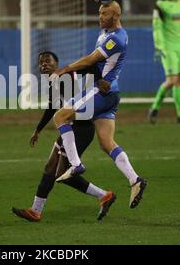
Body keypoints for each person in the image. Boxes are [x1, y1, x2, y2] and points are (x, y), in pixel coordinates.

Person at [50, 1, 147, 209]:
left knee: (60, 116)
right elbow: (96, 64)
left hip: (102, 93)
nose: (100, 16)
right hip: (109, 92)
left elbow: (90, 59)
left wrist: (64, 70)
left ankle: (76, 165)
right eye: (100, 12)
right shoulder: (105, 33)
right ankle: (135, 180)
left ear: (117, 14)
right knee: (106, 142)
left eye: (105, 13)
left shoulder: (116, 38)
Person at [12, 51, 116, 222]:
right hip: (69, 129)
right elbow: (52, 107)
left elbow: (91, 65)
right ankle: (35, 210)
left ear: (56, 62)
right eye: (41, 62)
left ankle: (105, 195)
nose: (43, 64)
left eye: (47, 61)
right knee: (51, 169)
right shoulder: (55, 81)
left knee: (62, 173)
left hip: (80, 130)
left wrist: (100, 81)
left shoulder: (65, 75)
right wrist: (38, 130)